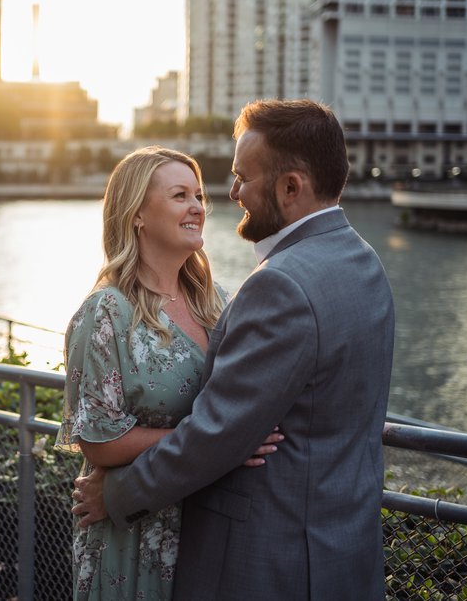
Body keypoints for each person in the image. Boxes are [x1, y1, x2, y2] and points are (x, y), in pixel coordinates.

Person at [73, 99, 396, 599]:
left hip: (275, 555)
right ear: (136, 214)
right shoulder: (364, 262)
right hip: (341, 546)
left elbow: (220, 432)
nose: (230, 194)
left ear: (290, 187)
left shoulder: (277, 287)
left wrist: (117, 493)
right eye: (184, 194)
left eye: (242, 178)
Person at [56, 145, 284, 600]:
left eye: (198, 195)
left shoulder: (215, 302)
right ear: (137, 213)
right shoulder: (105, 314)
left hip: (209, 520)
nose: (198, 207)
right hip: (131, 532)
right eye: (180, 195)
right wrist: (221, 444)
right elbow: (99, 443)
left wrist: (220, 446)